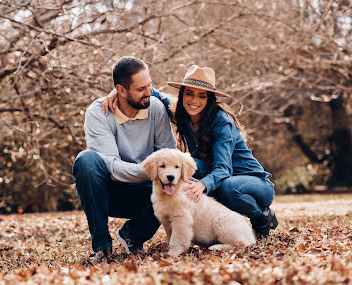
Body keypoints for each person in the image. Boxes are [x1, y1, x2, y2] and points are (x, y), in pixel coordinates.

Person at [103, 65, 278, 238]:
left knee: (226, 188)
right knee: (191, 169)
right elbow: (150, 92)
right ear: (182, 94)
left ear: (209, 99)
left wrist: (202, 185)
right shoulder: (181, 113)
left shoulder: (221, 122)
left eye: (202, 96)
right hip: (218, 175)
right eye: (189, 93)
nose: (194, 100)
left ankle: (261, 216)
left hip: (254, 184)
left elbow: (223, 169)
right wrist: (117, 92)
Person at [72, 56, 176, 262]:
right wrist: (152, 169)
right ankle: (102, 248)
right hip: (110, 192)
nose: (148, 93)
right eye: (141, 89)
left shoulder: (155, 107)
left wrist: (162, 173)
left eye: (150, 86)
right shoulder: (98, 113)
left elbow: (169, 155)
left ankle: (133, 236)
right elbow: (111, 166)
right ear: (121, 90)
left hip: (147, 191)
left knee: (172, 179)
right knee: (86, 160)